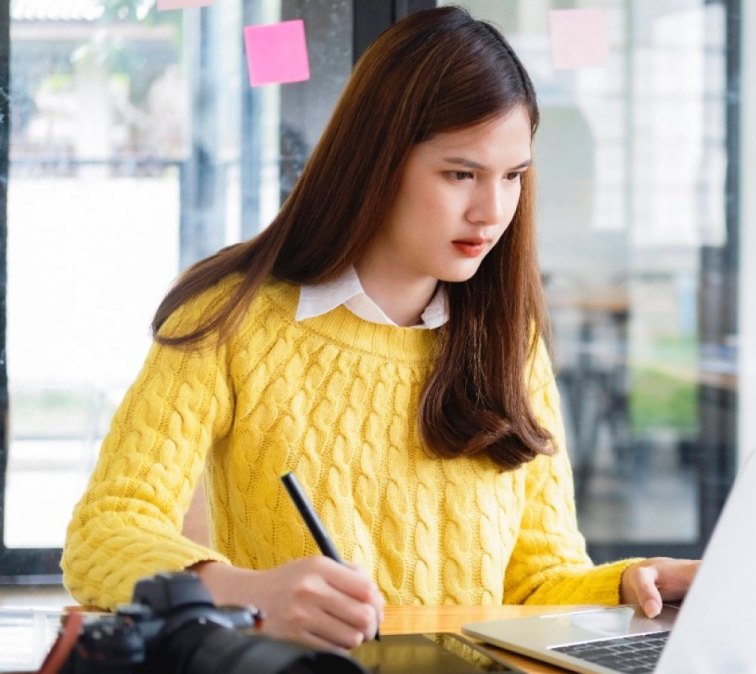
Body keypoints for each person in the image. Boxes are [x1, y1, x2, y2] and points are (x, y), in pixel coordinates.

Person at [61, 6, 698, 652]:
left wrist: (627, 585)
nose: (492, 211)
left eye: (513, 177)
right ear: (378, 159)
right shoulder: (231, 320)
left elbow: (536, 585)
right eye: (460, 174)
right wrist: (249, 593)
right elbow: (104, 534)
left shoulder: (507, 340)